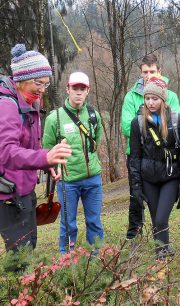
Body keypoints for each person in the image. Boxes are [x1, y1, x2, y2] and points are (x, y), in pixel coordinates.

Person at [0, 43, 72, 253]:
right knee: (20, 255)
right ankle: (16, 286)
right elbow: (6, 152)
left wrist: (46, 163)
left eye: (45, 84)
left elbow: (31, 145)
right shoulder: (7, 106)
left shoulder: (31, 101)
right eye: (38, 83)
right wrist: (43, 157)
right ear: (21, 79)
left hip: (25, 190)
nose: (42, 89)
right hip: (7, 195)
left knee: (29, 246)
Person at [121, 54, 180, 240]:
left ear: (159, 71)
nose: (148, 75)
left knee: (160, 210)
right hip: (138, 156)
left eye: (152, 71)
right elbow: (126, 126)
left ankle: (161, 241)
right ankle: (134, 235)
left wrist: (151, 130)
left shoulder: (170, 95)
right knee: (136, 198)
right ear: (140, 73)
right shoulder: (131, 96)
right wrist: (144, 128)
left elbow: (177, 124)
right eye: (145, 72)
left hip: (165, 159)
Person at [43, 72, 103, 254]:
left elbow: (96, 142)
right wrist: (56, 169)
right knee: (68, 223)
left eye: (82, 89)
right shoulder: (55, 118)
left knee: (94, 220)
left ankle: (97, 257)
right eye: (75, 88)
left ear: (88, 91)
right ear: (67, 89)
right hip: (67, 182)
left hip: (93, 179)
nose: (78, 92)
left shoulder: (94, 115)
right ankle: (66, 259)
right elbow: (47, 150)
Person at [129, 76, 180, 259]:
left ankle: (162, 252)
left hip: (170, 177)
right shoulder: (138, 123)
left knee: (162, 218)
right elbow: (135, 157)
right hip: (149, 178)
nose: (150, 102)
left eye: (154, 98)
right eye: (147, 98)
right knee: (156, 219)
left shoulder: (177, 121)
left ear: (163, 99)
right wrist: (136, 187)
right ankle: (162, 251)